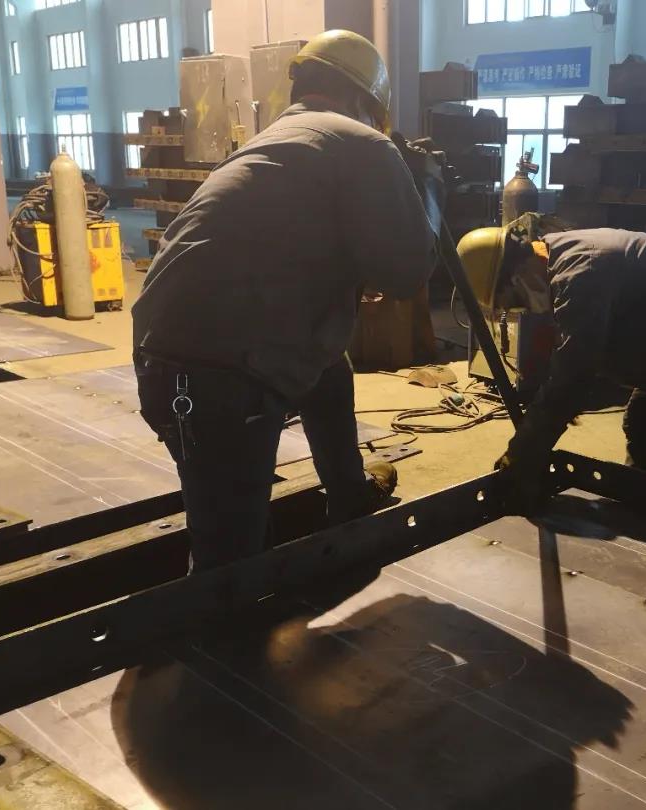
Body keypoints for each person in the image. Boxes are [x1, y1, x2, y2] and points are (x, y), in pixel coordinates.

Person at [132, 31, 441, 571]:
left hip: (169, 355)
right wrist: (430, 189)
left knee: (329, 365)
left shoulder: (274, 142)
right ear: (365, 102)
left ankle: (349, 495)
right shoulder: (363, 142)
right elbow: (409, 271)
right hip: (215, 379)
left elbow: (299, 247)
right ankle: (222, 609)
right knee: (230, 564)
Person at [457, 223, 646, 510]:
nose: (524, 309)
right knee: (639, 422)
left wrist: (522, 452)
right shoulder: (554, 256)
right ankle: (641, 505)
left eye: (515, 302)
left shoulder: (581, 274)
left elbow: (574, 376)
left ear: (517, 274)